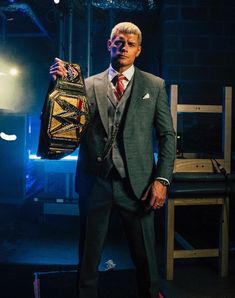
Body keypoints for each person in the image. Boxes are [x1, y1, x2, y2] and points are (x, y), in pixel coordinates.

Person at [49, 22, 175, 298]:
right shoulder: (86, 84)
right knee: (89, 256)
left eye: (130, 44)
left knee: (145, 257)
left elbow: (167, 135)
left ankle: (151, 294)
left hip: (139, 184)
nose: (124, 48)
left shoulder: (154, 85)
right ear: (109, 45)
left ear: (138, 50)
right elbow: (65, 127)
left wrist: (162, 180)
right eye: (118, 42)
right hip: (96, 181)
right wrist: (59, 85)